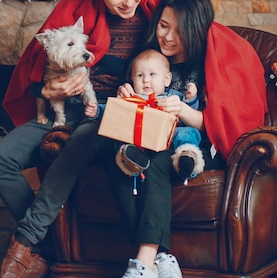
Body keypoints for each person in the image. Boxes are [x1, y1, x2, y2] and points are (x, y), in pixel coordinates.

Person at [0, 0, 179, 278]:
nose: (129, 0)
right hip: (65, 108)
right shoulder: (71, 10)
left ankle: (24, 244)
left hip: (113, 113)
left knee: (81, 141)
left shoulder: (156, 14)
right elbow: (32, 70)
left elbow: (195, 36)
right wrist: (46, 92)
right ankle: (47, 251)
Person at [101, 0, 268, 278]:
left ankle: (145, 263)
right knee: (121, 156)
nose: (168, 38)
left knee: (155, 158)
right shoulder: (149, 60)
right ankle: (163, 263)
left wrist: (189, 114)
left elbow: (229, 124)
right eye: (163, 26)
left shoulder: (211, 63)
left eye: (179, 31)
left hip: (191, 148)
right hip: (145, 142)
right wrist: (127, 97)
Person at [86, 48, 205, 183]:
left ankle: (187, 156)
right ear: (132, 79)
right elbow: (114, 110)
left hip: (167, 135)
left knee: (187, 132)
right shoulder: (133, 97)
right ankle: (132, 160)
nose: (146, 81)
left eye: (152, 74)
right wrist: (97, 111)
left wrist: (190, 98)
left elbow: (188, 111)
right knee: (122, 137)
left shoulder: (172, 96)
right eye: (140, 75)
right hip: (139, 136)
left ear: (167, 79)